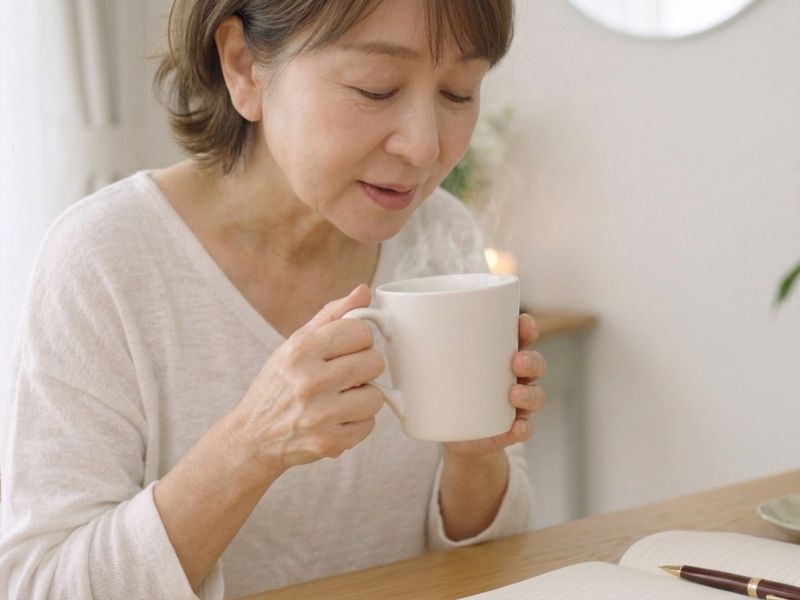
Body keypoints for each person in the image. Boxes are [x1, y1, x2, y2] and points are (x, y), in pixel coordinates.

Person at [0, 0, 547, 598]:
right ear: (244, 67)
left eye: (460, 93)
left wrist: (474, 456)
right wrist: (249, 447)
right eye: (376, 88)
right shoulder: (105, 260)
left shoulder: (440, 232)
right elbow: (41, 586)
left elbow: (489, 564)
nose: (423, 147)